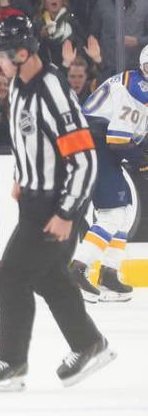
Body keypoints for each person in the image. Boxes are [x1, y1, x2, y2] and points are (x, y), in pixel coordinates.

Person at [0, 15, 113, 391]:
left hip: (55, 204)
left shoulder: (53, 89)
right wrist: (22, 175)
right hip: (35, 198)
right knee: (49, 276)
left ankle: (12, 362)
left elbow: (84, 158)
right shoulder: (19, 85)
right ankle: (89, 344)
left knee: (11, 277)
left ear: (23, 52)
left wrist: (67, 213)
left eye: (3, 55)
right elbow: (27, 136)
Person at [70, 48, 146, 303]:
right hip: (92, 143)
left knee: (124, 212)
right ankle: (77, 270)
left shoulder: (135, 83)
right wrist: (143, 162)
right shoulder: (138, 90)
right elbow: (118, 140)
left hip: (92, 142)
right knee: (113, 214)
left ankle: (109, 274)